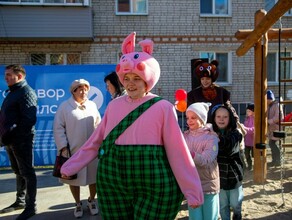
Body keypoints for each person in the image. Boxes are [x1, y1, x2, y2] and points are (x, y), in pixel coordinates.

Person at [61, 32, 204, 220]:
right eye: (126, 78)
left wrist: (192, 190)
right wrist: (71, 165)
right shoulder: (114, 106)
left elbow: (177, 150)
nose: (130, 84)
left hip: (153, 181)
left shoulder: (163, 107)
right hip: (114, 180)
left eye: (136, 78)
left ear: (147, 80)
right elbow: (96, 141)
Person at [53, 79, 101, 218]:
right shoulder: (64, 107)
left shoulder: (92, 105)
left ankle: (92, 200)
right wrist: (62, 146)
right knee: (72, 178)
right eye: (80, 89)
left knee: (94, 177)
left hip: (92, 150)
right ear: (73, 92)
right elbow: (58, 127)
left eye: (86, 89)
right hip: (72, 150)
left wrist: (100, 141)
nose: (84, 92)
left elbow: (99, 124)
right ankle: (78, 203)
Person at [0, 64, 38, 220]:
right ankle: (20, 201)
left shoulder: (26, 92)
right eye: (5, 74)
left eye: (9, 74)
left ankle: (31, 207)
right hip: (11, 141)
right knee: (18, 171)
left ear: (20, 76)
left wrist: (15, 138)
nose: (6, 77)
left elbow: (29, 119)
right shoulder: (13, 92)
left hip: (21, 141)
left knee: (27, 172)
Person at [183, 102, 220, 220]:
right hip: (192, 183)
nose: (189, 121)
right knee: (195, 216)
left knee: (210, 216)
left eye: (193, 117)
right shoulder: (185, 136)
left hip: (208, 183)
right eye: (187, 118)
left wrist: (190, 154)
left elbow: (207, 159)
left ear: (202, 118)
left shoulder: (211, 137)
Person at [211, 104, 244, 220]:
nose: (221, 119)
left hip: (234, 175)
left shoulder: (236, 134)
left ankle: (237, 215)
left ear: (230, 119)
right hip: (219, 176)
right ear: (214, 119)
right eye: (218, 116)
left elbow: (229, 148)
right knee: (223, 205)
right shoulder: (210, 134)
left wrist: (215, 138)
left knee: (235, 204)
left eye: (225, 117)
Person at [267, 90, 284, 167]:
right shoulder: (270, 105)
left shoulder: (276, 105)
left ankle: (279, 160)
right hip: (272, 127)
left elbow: (278, 117)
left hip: (277, 128)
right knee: (271, 143)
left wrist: (268, 121)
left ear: (269, 99)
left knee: (272, 143)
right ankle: (275, 160)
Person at [242, 103, 255, 171]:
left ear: (253, 111)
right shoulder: (247, 118)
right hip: (247, 140)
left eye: (249, 111)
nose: (247, 112)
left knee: (254, 155)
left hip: (253, 141)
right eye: (247, 111)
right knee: (247, 154)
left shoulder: (255, 119)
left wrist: (245, 128)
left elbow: (253, 129)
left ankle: (255, 166)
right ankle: (250, 166)